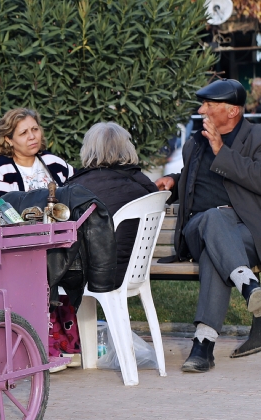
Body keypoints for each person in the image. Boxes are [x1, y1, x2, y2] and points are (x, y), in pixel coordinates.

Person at [154, 79, 261, 373]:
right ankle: (249, 285)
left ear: (233, 111)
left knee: (216, 254)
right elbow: (192, 177)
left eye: (209, 105)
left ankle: (203, 345)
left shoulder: (257, 137)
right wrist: (174, 182)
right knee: (214, 217)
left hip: (245, 234)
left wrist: (221, 151)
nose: (201, 110)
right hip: (198, 229)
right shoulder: (196, 142)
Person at [66, 123, 157, 290]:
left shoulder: (75, 188)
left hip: (90, 277)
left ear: (88, 149)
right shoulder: (144, 185)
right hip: (134, 271)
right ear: (127, 148)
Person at [0, 108, 73, 200]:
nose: (32, 136)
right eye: (23, 133)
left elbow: (80, 189)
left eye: (35, 129)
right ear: (9, 140)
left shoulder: (53, 162)